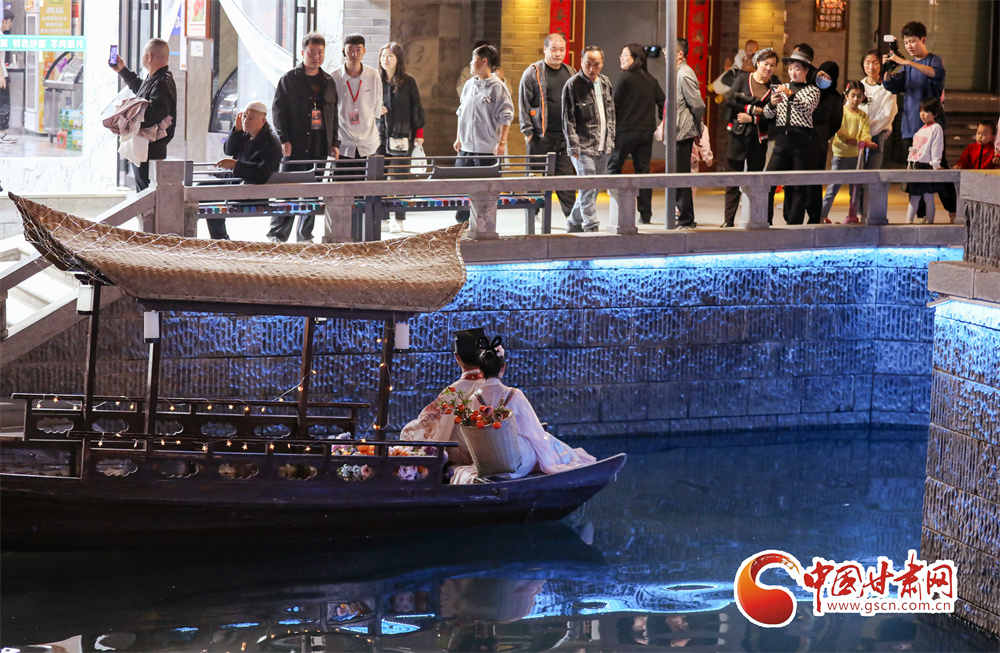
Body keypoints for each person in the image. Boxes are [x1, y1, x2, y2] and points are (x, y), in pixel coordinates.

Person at [447, 336, 597, 485]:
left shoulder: (473, 399)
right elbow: (534, 432)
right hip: (517, 461)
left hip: (487, 461)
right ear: (503, 368)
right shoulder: (514, 394)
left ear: (480, 370)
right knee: (547, 440)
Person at [269, 31, 340, 243]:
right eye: (311, 52)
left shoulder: (328, 81)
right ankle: (278, 234)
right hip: (295, 144)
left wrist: (334, 143)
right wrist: (284, 139)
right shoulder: (289, 79)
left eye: (320, 52)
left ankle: (305, 235)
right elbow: (278, 111)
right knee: (287, 189)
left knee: (313, 190)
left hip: (319, 143)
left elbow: (333, 115)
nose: (316, 57)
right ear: (302, 53)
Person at [882, 21, 955, 221]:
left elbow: (936, 74)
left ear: (923, 39)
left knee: (939, 168)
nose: (909, 46)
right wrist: (888, 68)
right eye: (906, 42)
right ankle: (921, 215)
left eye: (912, 41)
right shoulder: (907, 69)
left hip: (932, 128)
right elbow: (889, 85)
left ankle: (953, 211)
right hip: (910, 128)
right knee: (914, 172)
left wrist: (907, 62)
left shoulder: (934, 60)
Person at [400, 327, 489, 465]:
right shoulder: (494, 388)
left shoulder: (453, 392)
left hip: (461, 459)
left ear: (457, 356)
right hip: (490, 454)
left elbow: (430, 429)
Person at [518, 33, 577, 222]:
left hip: (564, 136)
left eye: (562, 50)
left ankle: (571, 217)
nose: (558, 53)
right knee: (535, 176)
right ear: (545, 50)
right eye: (554, 49)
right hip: (539, 135)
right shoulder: (533, 72)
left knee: (565, 179)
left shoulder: (571, 72)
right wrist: (527, 131)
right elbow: (524, 103)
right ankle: (532, 214)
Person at [453, 43, 514, 224]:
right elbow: (461, 112)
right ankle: (461, 226)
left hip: (487, 150)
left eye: (474, 59)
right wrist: (458, 137)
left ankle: (484, 227)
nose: (470, 63)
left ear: (484, 61)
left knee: (485, 192)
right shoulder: (469, 85)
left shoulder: (498, 87)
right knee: (461, 190)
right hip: (466, 148)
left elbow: (506, 116)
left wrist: (501, 142)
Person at [607, 43, 664, 224]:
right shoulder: (651, 79)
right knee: (643, 172)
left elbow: (613, 105)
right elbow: (663, 102)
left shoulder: (624, 77)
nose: (621, 58)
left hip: (625, 131)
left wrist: (610, 129)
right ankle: (645, 214)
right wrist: (661, 123)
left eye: (625, 55)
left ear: (635, 58)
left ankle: (617, 209)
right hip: (646, 132)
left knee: (613, 168)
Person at [209, 101, 283, 240]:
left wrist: (236, 165)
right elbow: (228, 150)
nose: (245, 121)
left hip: (253, 192)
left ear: (262, 121)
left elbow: (261, 176)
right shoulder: (245, 133)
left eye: (250, 118)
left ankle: (221, 240)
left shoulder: (271, 142)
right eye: (244, 116)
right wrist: (236, 131)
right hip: (235, 182)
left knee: (211, 199)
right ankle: (221, 240)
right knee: (198, 189)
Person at [763, 45, 820, 225]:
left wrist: (791, 96)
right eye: (790, 68)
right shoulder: (782, 87)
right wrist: (772, 104)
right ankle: (765, 221)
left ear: (806, 70)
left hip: (801, 141)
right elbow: (767, 115)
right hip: (782, 140)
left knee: (797, 186)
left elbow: (806, 109)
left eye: (797, 68)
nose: (792, 72)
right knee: (768, 182)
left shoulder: (813, 90)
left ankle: (794, 224)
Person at [110, 38, 177, 192]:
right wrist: (123, 70)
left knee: (147, 194)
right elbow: (142, 90)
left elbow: (153, 114)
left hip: (150, 149)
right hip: (145, 148)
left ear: (149, 57)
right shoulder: (156, 78)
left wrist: (127, 115)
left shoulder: (163, 82)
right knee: (143, 190)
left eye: (143, 54)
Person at [722, 47, 778, 228]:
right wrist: (753, 109)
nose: (769, 68)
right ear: (757, 63)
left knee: (755, 181)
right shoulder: (742, 78)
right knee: (733, 180)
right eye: (766, 64)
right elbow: (730, 100)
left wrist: (753, 118)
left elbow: (774, 114)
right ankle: (728, 221)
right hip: (738, 135)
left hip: (758, 138)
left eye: (772, 65)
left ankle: (755, 219)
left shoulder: (775, 85)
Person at [562, 46, 615, 233]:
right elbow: (568, 120)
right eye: (588, 64)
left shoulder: (606, 83)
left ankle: (573, 221)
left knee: (593, 187)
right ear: (581, 62)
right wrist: (573, 147)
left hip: (603, 145)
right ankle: (591, 224)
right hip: (582, 147)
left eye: (596, 64)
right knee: (587, 185)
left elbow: (611, 115)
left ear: (602, 63)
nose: (592, 69)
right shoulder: (572, 85)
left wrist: (610, 141)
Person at [377, 41, 425, 233]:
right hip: (379, 137)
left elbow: (416, 108)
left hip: (401, 136)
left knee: (400, 178)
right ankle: (382, 217)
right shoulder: (375, 80)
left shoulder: (407, 82)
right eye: (383, 56)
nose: (385, 59)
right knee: (378, 178)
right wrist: (376, 110)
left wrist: (419, 134)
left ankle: (399, 218)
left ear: (398, 59)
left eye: (389, 56)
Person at [821, 81, 870, 224]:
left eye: (859, 96)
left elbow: (866, 131)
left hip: (857, 156)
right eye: (853, 95)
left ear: (863, 97)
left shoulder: (863, 115)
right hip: (841, 156)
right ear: (846, 95)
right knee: (833, 188)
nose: (855, 99)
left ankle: (852, 215)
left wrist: (866, 140)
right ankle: (822, 215)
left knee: (855, 190)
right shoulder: (841, 112)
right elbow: (839, 129)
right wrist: (848, 139)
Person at [858, 49, 898, 215]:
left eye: (875, 62)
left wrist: (868, 131)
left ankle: (870, 211)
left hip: (878, 133)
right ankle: (859, 210)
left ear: (881, 64)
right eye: (867, 63)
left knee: (872, 173)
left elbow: (886, 114)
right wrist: (861, 131)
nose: (871, 67)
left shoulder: (887, 87)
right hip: (859, 135)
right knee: (858, 174)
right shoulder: (859, 86)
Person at [670, 37, 705, 229]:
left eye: (668, 50)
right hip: (676, 131)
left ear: (680, 54)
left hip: (682, 131)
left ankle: (686, 218)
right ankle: (682, 216)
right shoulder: (677, 72)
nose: (665, 54)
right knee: (676, 174)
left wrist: (696, 126)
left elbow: (698, 105)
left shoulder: (684, 74)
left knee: (681, 175)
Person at [332, 34, 383, 161]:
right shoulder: (334, 77)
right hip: (343, 141)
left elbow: (377, 107)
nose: (354, 54)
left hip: (368, 143)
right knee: (341, 174)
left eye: (358, 50)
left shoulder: (373, 75)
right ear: (343, 50)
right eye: (350, 49)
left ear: (364, 51)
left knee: (368, 174)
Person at [806, 60, 842, 224]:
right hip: (800, 141)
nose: (823, 78)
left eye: (828, 77)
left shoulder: (835, 98)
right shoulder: (807, 90)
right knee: (797, 179)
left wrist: (823, 134)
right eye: (821, 74)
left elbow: (836, 122)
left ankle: (814, 217)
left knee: (815, 180)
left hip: (819, 143)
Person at [906, 97, 945, 224]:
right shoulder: (920, 130)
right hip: (915, 166)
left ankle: (930, 222)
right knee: (914, 197)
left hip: (926, 166)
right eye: (921, 111)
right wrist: (909, 164)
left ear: (935, 113)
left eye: (927, 111)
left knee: (928, 196)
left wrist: (936, 164)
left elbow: (936, 147)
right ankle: (908, 222)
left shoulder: (936, 128)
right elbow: (915, 149)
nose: (923, 114)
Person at [0, 9, 13, 140]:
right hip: (1, 75)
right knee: (3, 104)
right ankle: (1, 134)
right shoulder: (0, 36)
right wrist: (1, 76)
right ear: (3, 21)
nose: (11, 24)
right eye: (10, 21)